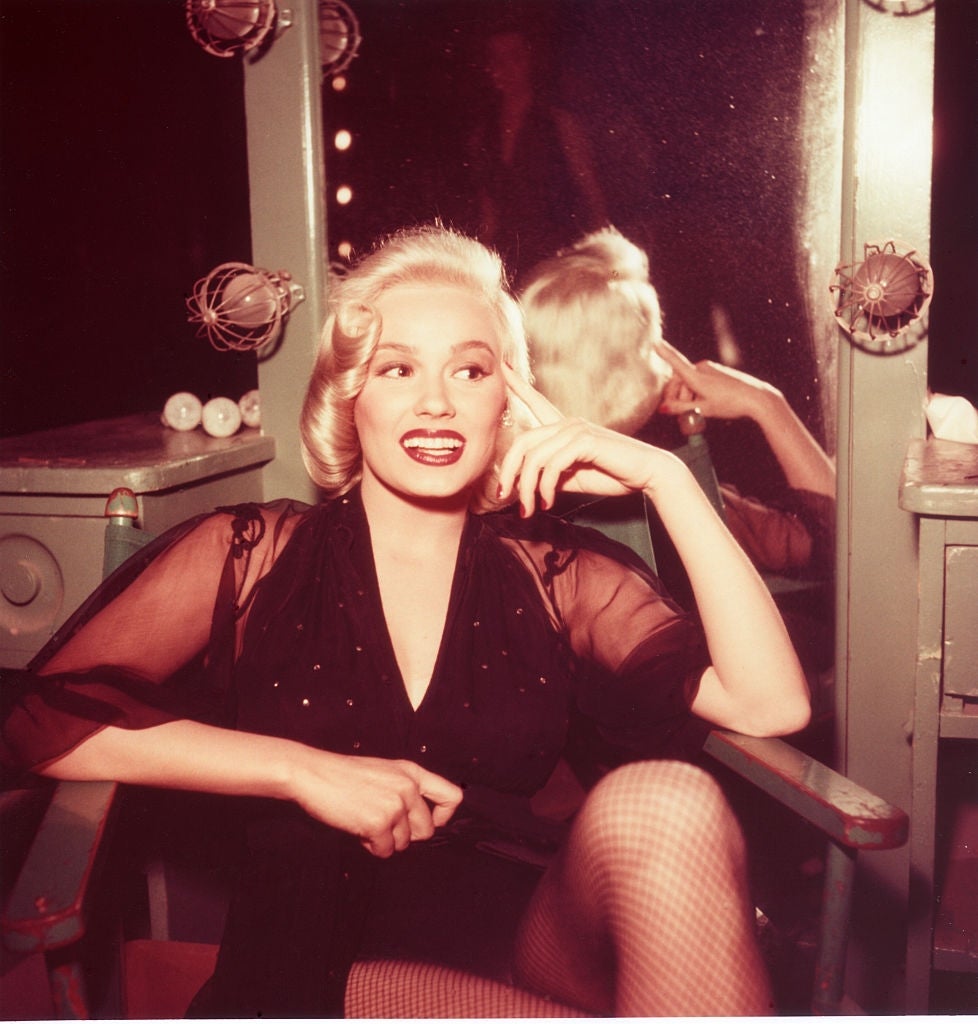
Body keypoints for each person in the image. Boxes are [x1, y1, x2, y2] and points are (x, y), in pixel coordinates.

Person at [1, 225, 809, 1018]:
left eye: (470, 370)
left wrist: (663, 477)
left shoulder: (553, 572)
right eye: (397, 368)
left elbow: (769, 702)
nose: (435, 402)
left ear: (508, 402)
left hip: (519, 935)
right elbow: (35, 721)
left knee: (666, 800)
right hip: (315, 953)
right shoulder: (251, 556)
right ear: (350, 397)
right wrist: (301, 770)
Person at [520, 227, 837, 673]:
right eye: (655, 348)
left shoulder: (500, 495)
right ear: (628, 371)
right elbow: (833, 540)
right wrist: (767, 404)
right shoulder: (678, 488)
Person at [467, 27, 608, 282]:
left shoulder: (560, 124)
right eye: (497, 59)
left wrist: (606, 261)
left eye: (514, 57)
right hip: (509, 262)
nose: (506, 67)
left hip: (558, 261)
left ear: (529, 60)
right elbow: (489, 214)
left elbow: (592, 198)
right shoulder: (482, 135)